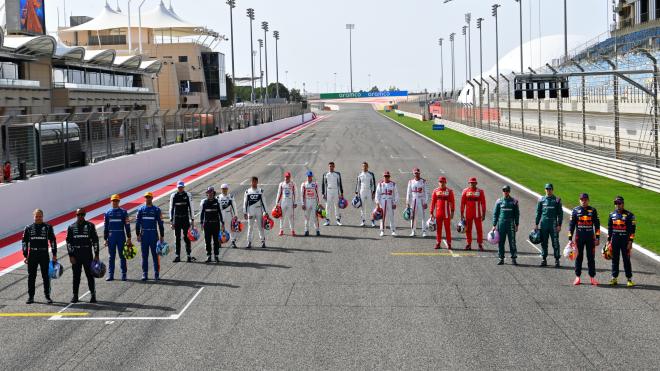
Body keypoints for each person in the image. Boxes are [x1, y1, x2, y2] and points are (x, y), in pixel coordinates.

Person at [22, 209, 57, 304]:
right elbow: (24, 242)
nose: (38, 218)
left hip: (44, 254)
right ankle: (31, 297)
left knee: (46, 276)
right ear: (34, 217)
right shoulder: (28, 228)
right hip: (32, 254)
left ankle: (47, 296)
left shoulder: (48, 227)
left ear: (43, 216)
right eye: (36, 216)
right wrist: (25, 255)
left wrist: (54, 254)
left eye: (40, 216)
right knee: (31, 276)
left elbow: (53, 241)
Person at [66, 208, 99, 303]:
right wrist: (71, 256)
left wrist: (96, 255)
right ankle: (75, 296)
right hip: (76, 255)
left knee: (90, 275)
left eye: (82, 214)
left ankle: (93, 295)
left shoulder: (90, 226)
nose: (80, 216)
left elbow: (95, 241)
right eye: (78, 214)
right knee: (76, 276)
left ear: (85, 215)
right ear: (76, 215)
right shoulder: (71, 227)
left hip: (87, 254)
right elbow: (69, 242)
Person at [568, 193, 601, 286]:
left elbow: (597, 226)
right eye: (582, 200)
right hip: (579, 238)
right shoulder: (575, 210)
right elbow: (571, 226)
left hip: (590, 238)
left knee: (591, 258)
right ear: (579, 200)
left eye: (585, 199)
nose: (583, 201)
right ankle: (577, 277)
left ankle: (592, 277)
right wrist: (570, 239)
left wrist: (597, 238)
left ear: (588, 200)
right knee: (579, 258)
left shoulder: (593, 210)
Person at [135, 192, 165, 280]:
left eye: (149, 197)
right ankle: (145, 274)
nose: (148, 199)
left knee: (155, 255)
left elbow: (160, 224)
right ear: (145, 198)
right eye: (146, 197)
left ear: (152, 198)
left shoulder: (156, 209)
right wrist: (137, 234)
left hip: (153, 235)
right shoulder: (140, 209)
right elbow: (137, 223)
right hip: (144, 235)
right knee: (144, 256)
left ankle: (156, 274)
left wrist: (162, 236)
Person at [607, 196, 636, 287]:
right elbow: (610, 229)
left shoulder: (630, 215)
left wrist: (630, 241)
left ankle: (629, 279)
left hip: (625, 242)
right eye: (616, 203)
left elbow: (632, 230)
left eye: (619, 203)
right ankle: (614, 278)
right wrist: (608, 241)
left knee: (626, 260)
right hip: (615, 241)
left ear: (623, 204)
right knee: (615, 260)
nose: (617, 205)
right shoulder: (611, 214)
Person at [103, 194, 131, 281]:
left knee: (122, 256)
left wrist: (129, 237)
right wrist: (105, 239)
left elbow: (127, 225)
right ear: (111, 202)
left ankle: (124, 274)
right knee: (111, 256)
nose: (114, 202)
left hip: (121, 236)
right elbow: (105, 226)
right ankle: (111, 275)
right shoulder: (107, 213)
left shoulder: (123, 212)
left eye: (116, 200)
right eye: (113, 201)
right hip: (111, 237)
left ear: (119, 201)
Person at [535, 183, 563, 268]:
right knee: (544, 242)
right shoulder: (541, 200)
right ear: (545, 190)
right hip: (543, 224)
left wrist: (559, 225)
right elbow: (538, 213)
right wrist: (536, 224)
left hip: (553, 225)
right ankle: (544, 259)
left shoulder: (557, 200)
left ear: (552, 190)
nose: (548, 190)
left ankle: (557, 260)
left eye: (550, 189)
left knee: (555, 242)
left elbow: (560, 214)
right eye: (547, 189)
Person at [492, 185, 520, 265]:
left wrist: (517, 224)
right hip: (501, 224)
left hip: (511, 224)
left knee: (512, 242)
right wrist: (494, 225)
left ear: (509, 191)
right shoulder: (499, 201)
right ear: (502, 191)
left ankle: (514, 258)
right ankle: (501, 258)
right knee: (501, 242)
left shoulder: (514, 201)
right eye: (504, 190)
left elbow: (517, 214)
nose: (505, 192)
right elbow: (495, 214)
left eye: (507, 190)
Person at [169, 181, 195, 262]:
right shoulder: (173, 195)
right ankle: (177, 256)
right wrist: (171, 220)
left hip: (185, 219)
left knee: (187, 237)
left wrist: (192, 220)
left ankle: (188, 255)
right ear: (177, 187)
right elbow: (171, 208)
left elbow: (191, 207)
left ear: (184, 187)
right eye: (179, 187)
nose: (180, 188)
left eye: (181, 187)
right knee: (177, 238)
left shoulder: (188, 195)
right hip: (177, 220)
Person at [460, 177, 487, 250]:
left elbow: (483, 203)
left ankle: (480, 244)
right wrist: (462, 214)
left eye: (473, 182)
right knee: (468, 229)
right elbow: (462, 203)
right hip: (468, 214)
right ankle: (469, 244)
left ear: (476, 183)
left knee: (479, 229)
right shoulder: (465, 191)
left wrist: (484, 214)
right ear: (469, 183)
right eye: (471, 183)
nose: (472, 184)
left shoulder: (480, 191)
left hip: (477, 214)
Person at [200, 186, 224, 263]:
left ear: (213, 193)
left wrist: (222, 223)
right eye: (208, 192)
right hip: (207, 225)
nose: (210, 194)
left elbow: (220, 213)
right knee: (207, 241)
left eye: (211, 192)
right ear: (207, 194)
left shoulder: (217, 202)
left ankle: (216, 256)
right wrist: (201, 223)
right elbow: (202, 213)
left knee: (216, 241)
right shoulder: (204, 202)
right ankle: (209, 256)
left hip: (216, 224)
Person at [430, 176, 455, 249]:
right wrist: (431, 212)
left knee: (447, 229)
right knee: (439, 229)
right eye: (440, 182)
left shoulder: (449, 191)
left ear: (445, 183)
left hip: (447, 214)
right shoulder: (435, 191)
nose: (442, 183)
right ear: (438, 182)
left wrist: (452, 212)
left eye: (443, 182)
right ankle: (438, 243)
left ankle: (449, 243)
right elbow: (433, 202)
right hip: (438, 214)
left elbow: (452, 202)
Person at [243, 176, 267, 248]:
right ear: (251, 182)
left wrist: (265, 212)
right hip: (251, 211)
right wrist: (245, 212)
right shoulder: (247, 192)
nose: (254, 183)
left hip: (259, 211)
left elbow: (264, 202)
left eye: (255, 181)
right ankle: (249, 242)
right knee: (250, 227)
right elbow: (245, 202)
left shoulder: (260, 191)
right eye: (252, 181)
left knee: (260, 227)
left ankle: (263, 242)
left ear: (257, 182)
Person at [375, 171, 399, 237]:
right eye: (385, 176)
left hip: (390, 201)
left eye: (387, 176)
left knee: (391, 216)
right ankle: (382, 230)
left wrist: (395, 203)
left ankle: (393, 231)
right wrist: (377, 203)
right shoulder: (380, 184)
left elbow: (396, 194)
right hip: (382, 202)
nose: (386, 177)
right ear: (383, 177)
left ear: (389, 176)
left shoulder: (393, 184)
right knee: (382, 217)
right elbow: (377, 194)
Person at [406, 168, 429, 237]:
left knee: (423, 216)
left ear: (419, 173)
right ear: (413, 173)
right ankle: (413, 231)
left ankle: (424, 231)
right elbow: (408, 192)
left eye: (418, 173)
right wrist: (407, 202)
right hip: (413, 200)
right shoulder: (410, 182)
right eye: (415, 173)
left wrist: (425, 202)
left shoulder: (423, 181)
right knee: (413, 216)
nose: (417, 174)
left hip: (421, 199)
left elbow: (426, 193)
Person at [322, 162, 344, 226]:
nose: (331, 167)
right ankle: (327, 220)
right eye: (330, 166)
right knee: (327, 206)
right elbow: (323, 184)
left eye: (332, 166)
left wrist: (341, 193)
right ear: (328, 167)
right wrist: (323, 193)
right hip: (328, 191)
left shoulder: (337, 174)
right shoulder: (325, 174)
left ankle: (338, 220)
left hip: (335, 191)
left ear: (334, 167)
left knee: (336, 205)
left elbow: (340, 184)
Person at [275, 171, 297, 236]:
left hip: (290, 202)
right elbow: (279, 194)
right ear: (284, 177)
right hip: (283, 202)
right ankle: (281, 230)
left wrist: (295, 202)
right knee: (282, 216)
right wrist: (277, 203)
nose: (287, 178)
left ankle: (292, 230)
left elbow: (295, 193)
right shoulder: (281, 184)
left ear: (290, 177)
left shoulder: (293, 184)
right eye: (286, 177)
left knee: (291, 216)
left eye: (288, 177)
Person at [355, 162, 376, 227]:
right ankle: (363, 221)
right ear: (362, 167)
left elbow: (373, 184)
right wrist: (356, 193)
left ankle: (373, 221)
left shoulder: (371, 174)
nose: (365, 167)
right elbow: (358, 184)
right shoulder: (360, 175)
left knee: (371, 206)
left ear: (368, 167)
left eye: (366, 166)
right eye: (363, 166)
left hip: (369, 191)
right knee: (362, 207)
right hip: (362, 191)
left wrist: (373, 193)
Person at [301, 170, 321, 236]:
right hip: (307, 202)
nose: (309, 177)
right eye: (308, 176)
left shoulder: (315, 184)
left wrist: (319, 203)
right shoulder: (303, 184)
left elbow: (318, 194)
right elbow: (302, 195)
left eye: (310, 176)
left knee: (315, 217)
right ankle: (306, 231)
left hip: (314, 202)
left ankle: (317, 230)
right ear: (307, 176)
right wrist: (302, 204)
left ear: (312, 177)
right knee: (307, 217)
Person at [218, 184, 238, 248]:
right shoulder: (218, 197)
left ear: (227, 189)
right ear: (221, 189)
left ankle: (233, 242)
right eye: (223, 189)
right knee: (220, 228)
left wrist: (236, 215)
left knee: (231, 228)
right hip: (220, 214)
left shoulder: (231, 197)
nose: (224, 190)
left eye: (225, 188)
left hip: (228, 214)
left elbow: (234, 206)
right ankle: (219, 242)